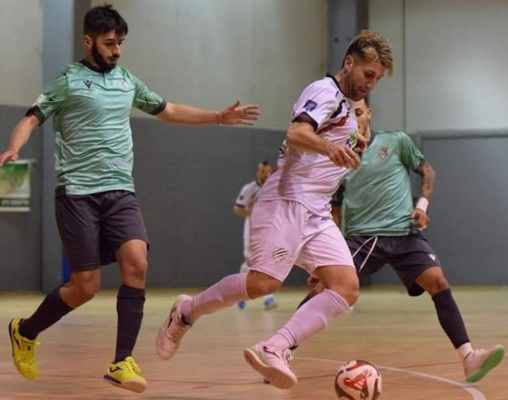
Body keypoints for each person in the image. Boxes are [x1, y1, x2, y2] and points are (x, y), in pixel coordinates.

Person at [0, 5, 259, 394]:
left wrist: (219, 117)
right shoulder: (68, 81)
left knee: (137, 263)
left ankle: (122, 361)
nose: (117, 50)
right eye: (109, 43)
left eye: (120, 42)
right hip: (78, 193)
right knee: (85, 286)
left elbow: (168, 110)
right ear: (88, 42)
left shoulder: (127, 81)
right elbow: (32, 117)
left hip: (120, 191)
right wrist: (13, 147)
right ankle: (26, 331)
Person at [156, 29, 393, 389]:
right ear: (349, 62)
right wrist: (331, 149)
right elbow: (296, 134)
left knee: (345, 287)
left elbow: (331, 146)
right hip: (286, 201)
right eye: (368, 74)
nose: (371, 84)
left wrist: (349, 141)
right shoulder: (324, 91)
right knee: (263, 284)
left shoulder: (346, 108)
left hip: (315, 212)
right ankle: (186, 312)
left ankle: (275, 346)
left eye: (377, 79)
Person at [300, 99, 505, 383]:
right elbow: (332, 211)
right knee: (324, 288)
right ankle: (280, 349)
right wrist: (324, 257)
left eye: (358, 112)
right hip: (364, 236)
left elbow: (427, 171)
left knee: (438, 283)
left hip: (405, 234)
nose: (355, 119)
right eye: (349, 114)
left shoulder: (396, 141)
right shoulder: (338, 157)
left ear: (369, 113)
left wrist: (421, 206)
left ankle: (469, 357)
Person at [233, 161, 277, 310]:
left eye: (269, 171)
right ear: (258, 173)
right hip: (253, 227)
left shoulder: (276, 188)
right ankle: (240, 293)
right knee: (250, 261)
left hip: (271, 227)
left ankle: (268, 298)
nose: (266, 174)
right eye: (263, 171)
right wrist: (254, 213)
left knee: (270, 261)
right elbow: (237, 208)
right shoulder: (249, 189)